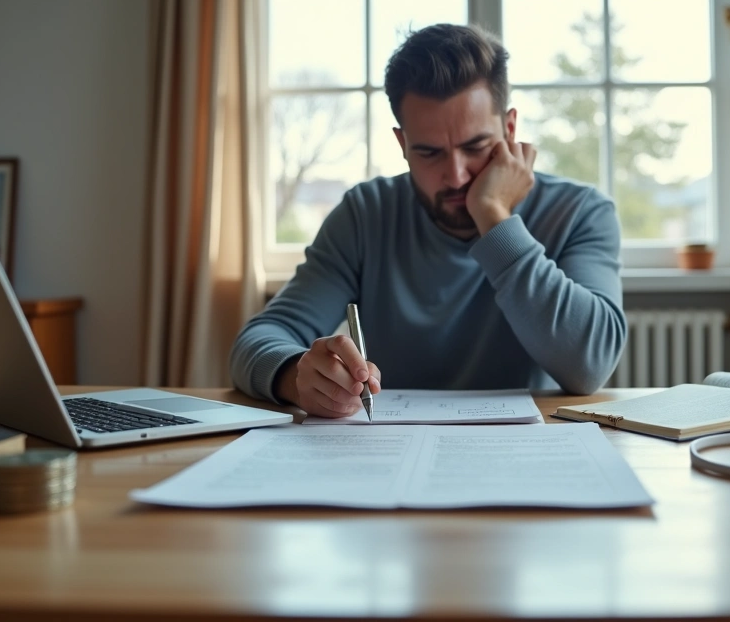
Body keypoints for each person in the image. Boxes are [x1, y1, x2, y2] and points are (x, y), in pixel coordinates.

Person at [230, 24, 625, 418]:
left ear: (508, 129)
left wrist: (493, 217)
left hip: (527, 457)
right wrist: (296, 377)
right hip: (391, 455)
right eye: (429, 153)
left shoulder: (580, 212)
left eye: (475, 147)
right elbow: (257, 341)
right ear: (402, 145)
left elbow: (589, 366)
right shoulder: (366, 214)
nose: (456, 176)